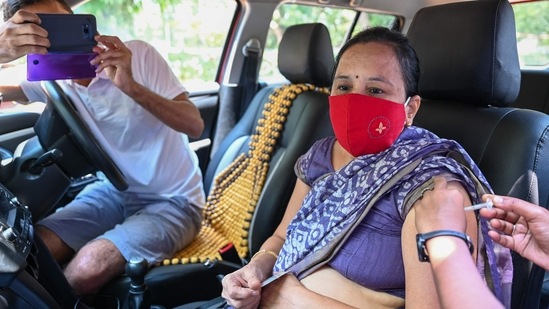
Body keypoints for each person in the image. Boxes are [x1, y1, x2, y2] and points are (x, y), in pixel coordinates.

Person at [220, 26, 513, 309]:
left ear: (410, 109)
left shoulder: (429, 185)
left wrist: (292, 297)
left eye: (375, 89)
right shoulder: (319, 156)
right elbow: (282, 237)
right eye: (344, 86)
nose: (354, 100)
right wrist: (255, 270)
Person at [0, 0, 206, 296]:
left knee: (89, 265)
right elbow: (7, 93)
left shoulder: (138, 54)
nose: (50, 38)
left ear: (77, 19)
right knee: (33, 247)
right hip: (112, 190)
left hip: (174, 200)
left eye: (56, 26)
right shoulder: (48, 75)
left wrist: (130, 86)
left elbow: (195, 124)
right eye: (36, 32)